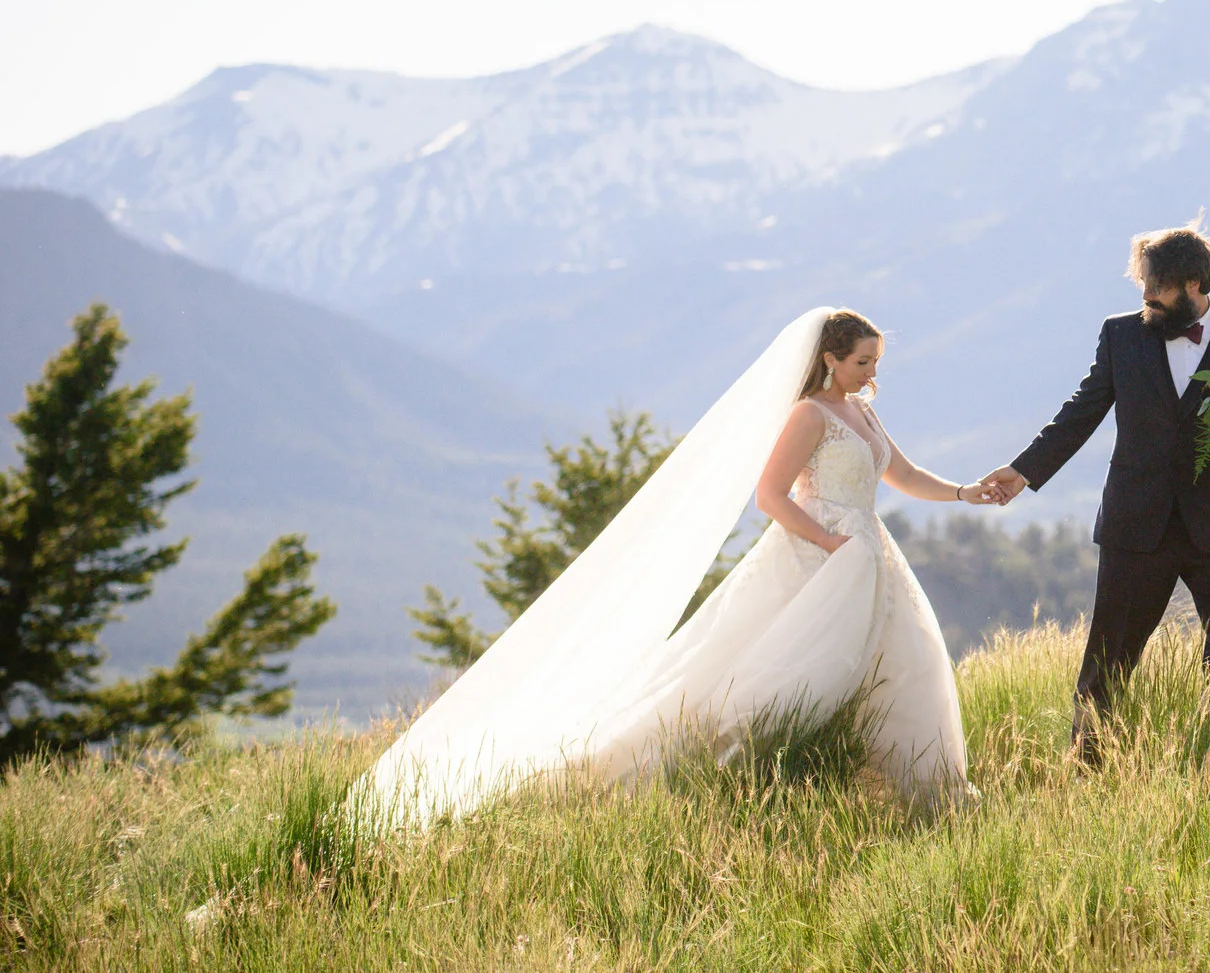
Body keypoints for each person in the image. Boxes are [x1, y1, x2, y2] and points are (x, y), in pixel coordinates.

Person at [359, 308, 985, 824]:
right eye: (861, 361)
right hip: (818, 556)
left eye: (876, 361)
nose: (872, 372)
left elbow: (900, 474)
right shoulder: (811, 415)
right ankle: (758, 786)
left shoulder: (864, 411)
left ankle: (915, 798)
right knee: (784, 672)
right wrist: (826, 543)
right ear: (829, 359)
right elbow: (770, 496)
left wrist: (964, 492)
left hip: (868, 556)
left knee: (900, 665)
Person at [971, 221, 1210, 758]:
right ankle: (1085, 769)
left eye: (1156, 286)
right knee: (1106, 661)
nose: (1145, 296)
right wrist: (1023, 471)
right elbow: (1082, 411)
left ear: (1193, 286)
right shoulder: (1120, 334)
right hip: (1136, 527)